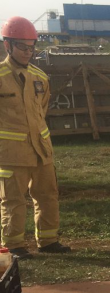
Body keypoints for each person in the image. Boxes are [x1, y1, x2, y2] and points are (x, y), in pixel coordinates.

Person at [0, 16, 71, 259]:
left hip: (41, 149)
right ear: (7, 45)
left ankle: (49, 240)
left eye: (31, 47)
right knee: (13, 200)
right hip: (11, 153)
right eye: (22, 46)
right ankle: (14, 245)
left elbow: (42, 109)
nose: (28, 52)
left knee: (47, 195)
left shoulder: (40, 77)